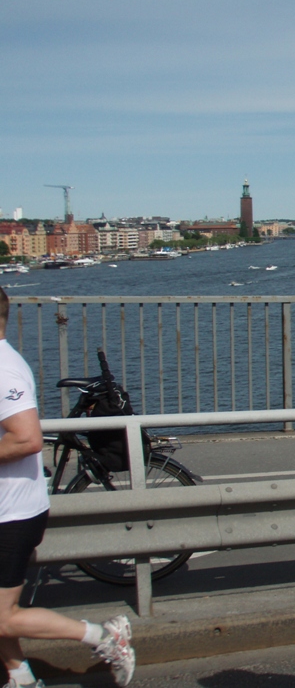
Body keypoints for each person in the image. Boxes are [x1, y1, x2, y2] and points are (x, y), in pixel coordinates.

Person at [0, 286, 136, 688]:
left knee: (3, 615)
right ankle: (21, 679)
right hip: (10, 509)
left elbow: (26, 438)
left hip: (12, 514)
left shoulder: (3, 368)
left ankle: (104, 637)